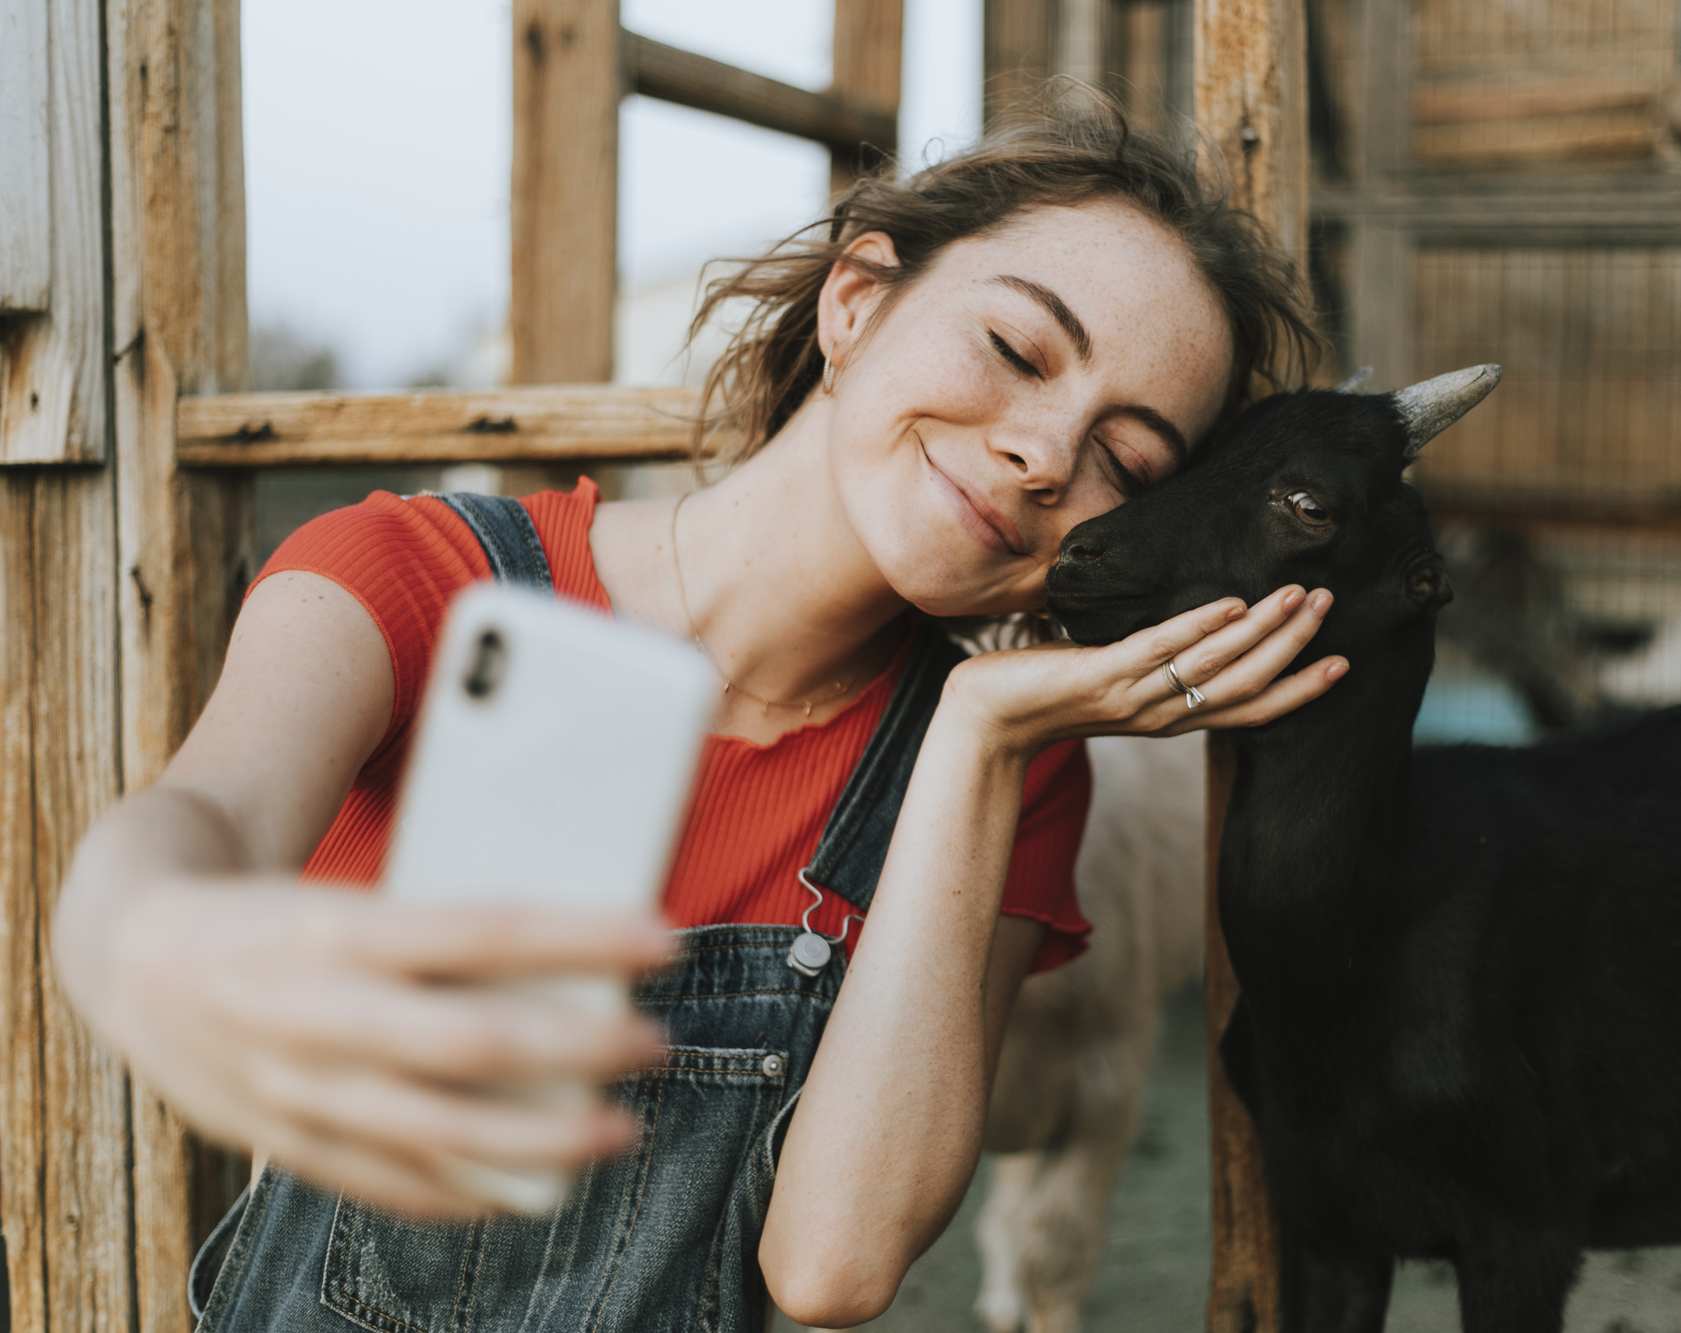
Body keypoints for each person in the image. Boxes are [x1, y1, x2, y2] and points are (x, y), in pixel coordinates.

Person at [53, 102, 1344, 1331]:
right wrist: (170, 944)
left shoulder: (1012, 776)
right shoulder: (416, 577)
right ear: (856, 301)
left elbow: (834, 1262)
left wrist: (976, 739)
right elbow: (184, 832)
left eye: (1129, 461)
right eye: (1015, 350)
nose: (1048, 454)